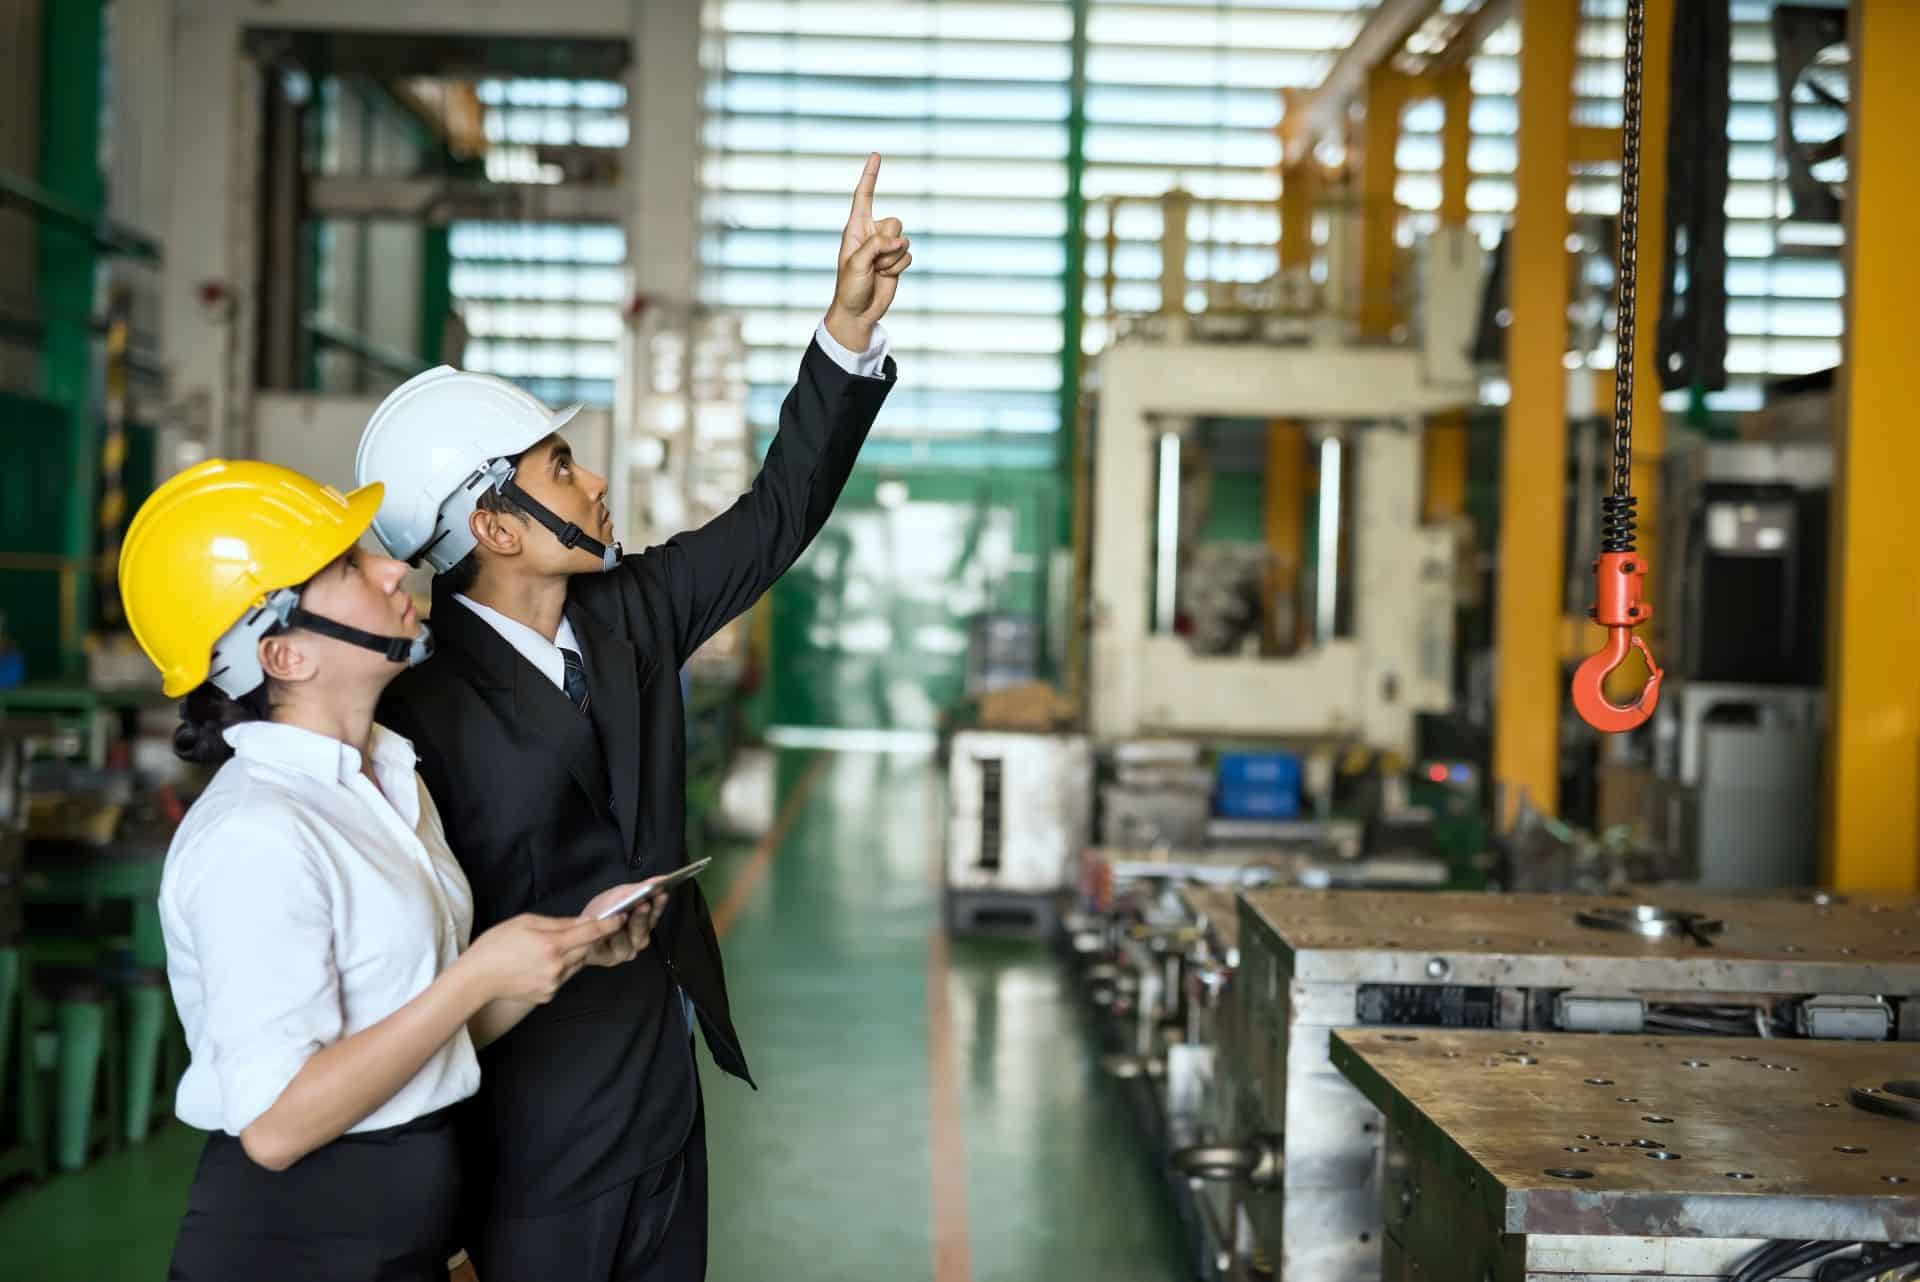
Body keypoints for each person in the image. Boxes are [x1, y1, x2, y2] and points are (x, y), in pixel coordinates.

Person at [352, 153, 908, 1279]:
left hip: (660, 1096)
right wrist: (434, 1210)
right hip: (526, 1139)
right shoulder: (415, 707)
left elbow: (779, 509)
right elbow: (401, 974)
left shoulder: (633, 612)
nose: (594, 480)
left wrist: (844, 328)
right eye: (561, 468)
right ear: (495, 528)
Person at [120, 460, 667, 1281]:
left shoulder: (386, 776)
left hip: (399, 1239)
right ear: (284, 654)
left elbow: (415, 1040)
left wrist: (549, 961)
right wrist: (475, 975)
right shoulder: (259, 834)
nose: (393, 568)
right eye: (346, 566)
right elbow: (274, 1126)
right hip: (298, 1245)